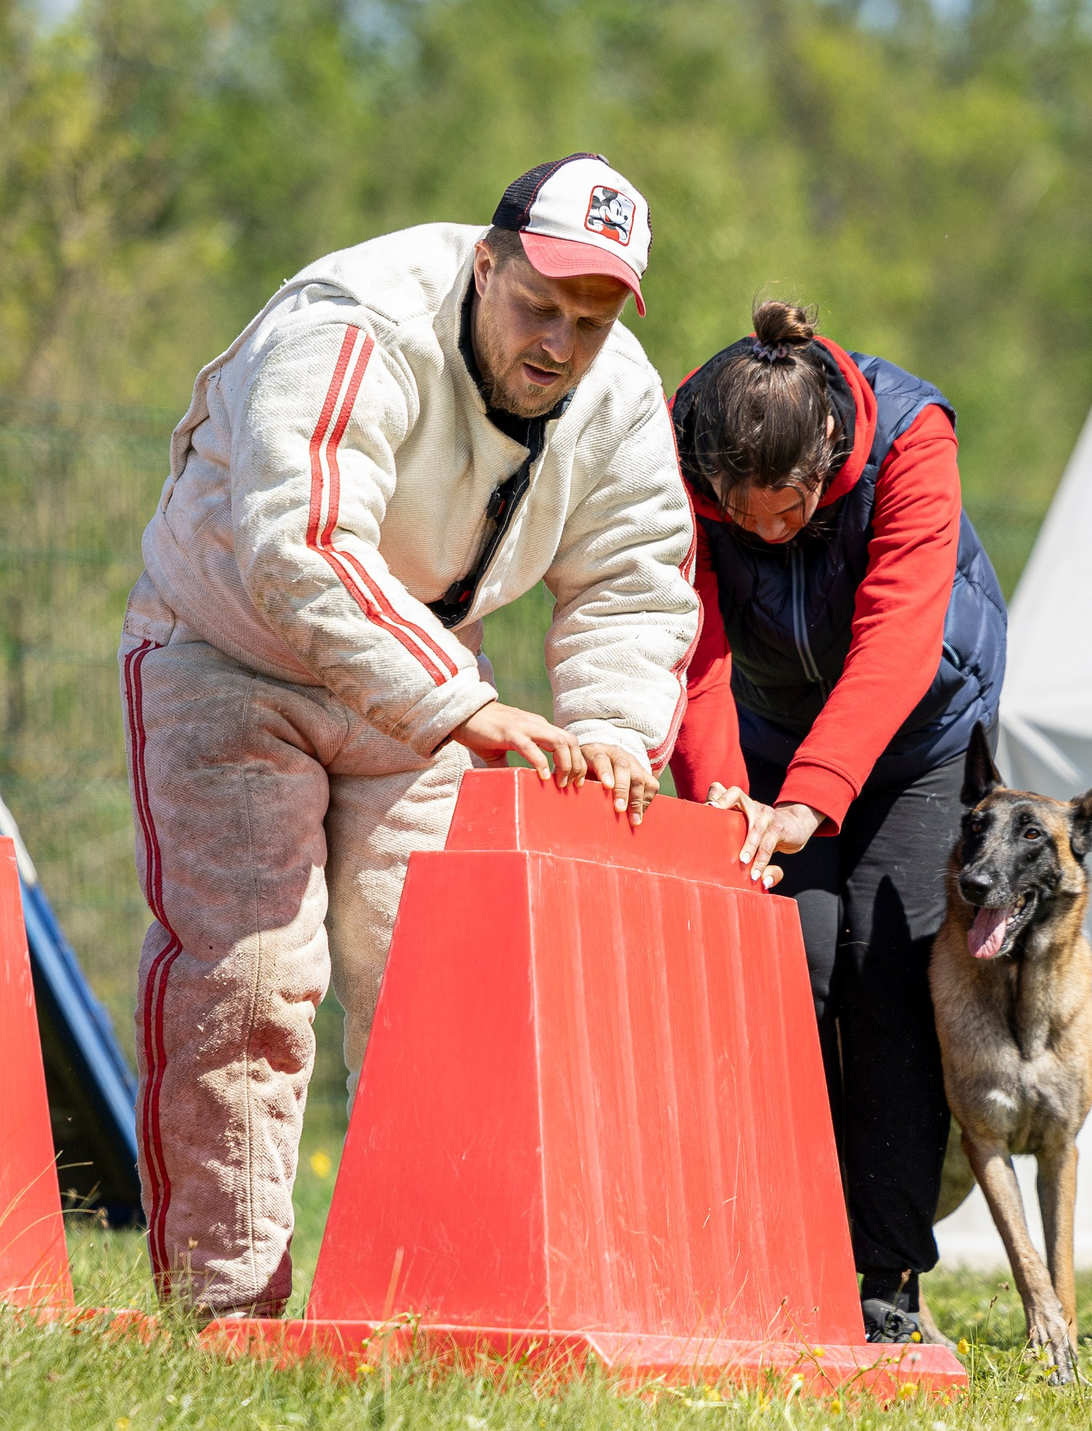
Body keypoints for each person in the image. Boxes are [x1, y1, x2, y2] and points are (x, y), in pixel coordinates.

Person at [122, 153, 699, 1316]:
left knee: (435, 992)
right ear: (485, 265)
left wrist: (614, 738)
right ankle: (223, 1314)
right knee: (252, 985)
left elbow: (634, 581)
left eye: (588, 321)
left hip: (429, 685)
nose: (558, 344)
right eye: (538, 304)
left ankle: (427, 1302)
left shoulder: (618, 393)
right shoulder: (354, 322)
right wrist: (465, 707)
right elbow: (304, 547)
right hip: (232, 648)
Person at [667, 300, 1007, 1343]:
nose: (768, 532)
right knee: (784, 961)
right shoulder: (676, 449)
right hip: (761, 739)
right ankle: (778, 1248)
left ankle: (885, 1277)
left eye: (792, 510)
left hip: (919, 735)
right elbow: (691, 640)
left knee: (886, 975)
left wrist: (814, 797)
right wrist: (723, 794)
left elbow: (898, 641)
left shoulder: (914, 436)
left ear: (829, 450)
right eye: (744, 514)